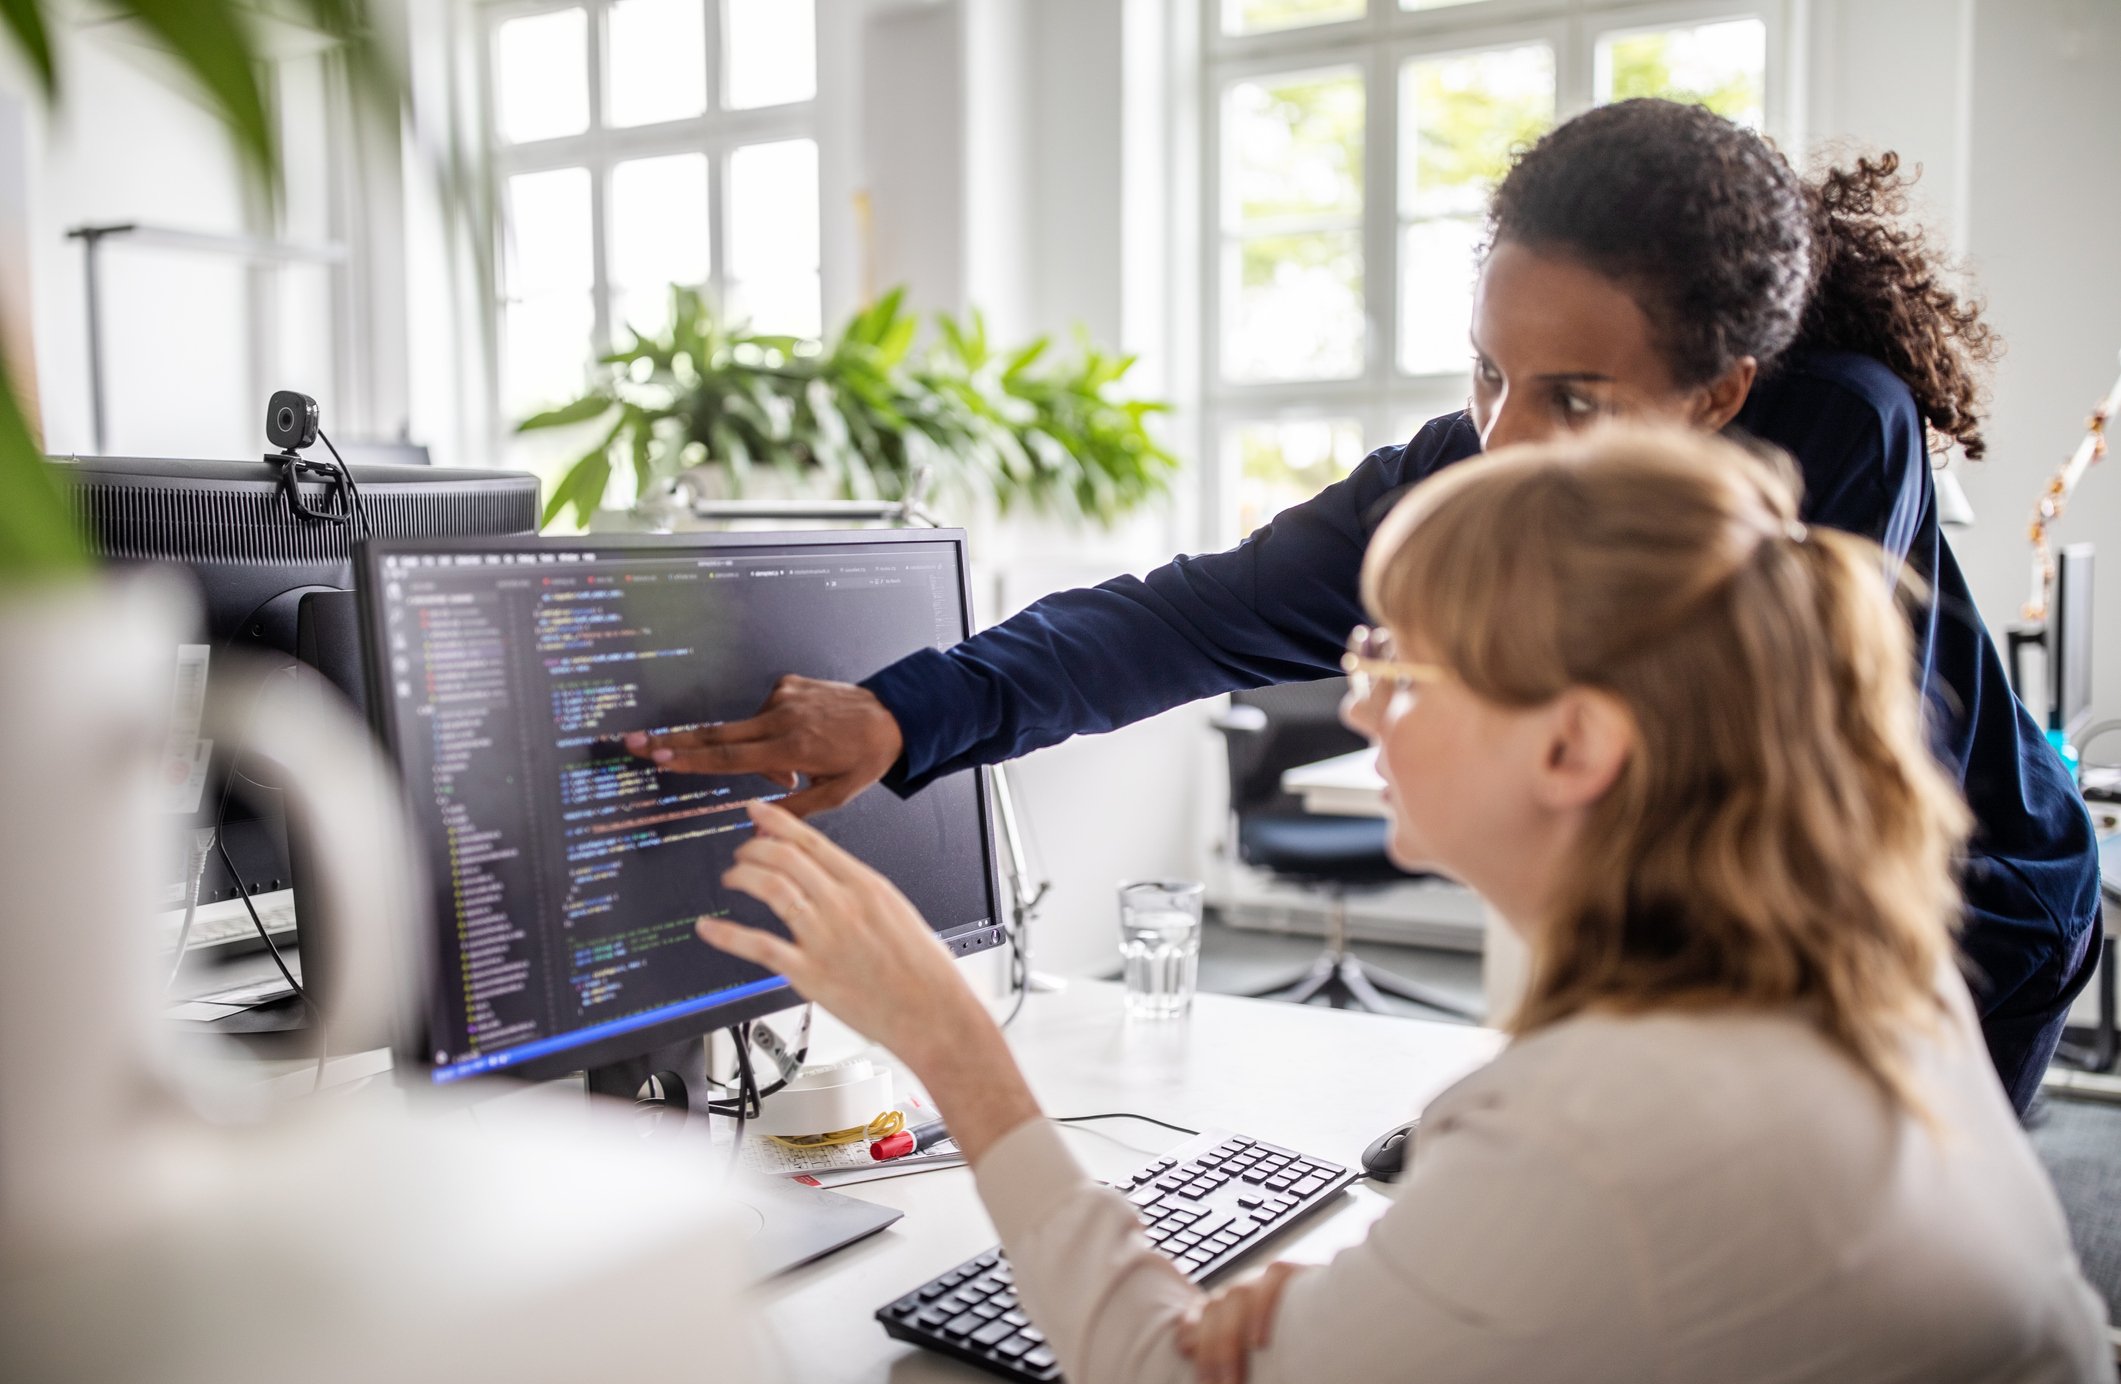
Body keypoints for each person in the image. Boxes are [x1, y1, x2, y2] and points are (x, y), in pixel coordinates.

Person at [626, 99, 2101, 1113]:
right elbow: (1190, 615)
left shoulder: (1832, 428)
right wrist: (905, 710)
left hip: (1968, 916)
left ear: (1717, 393)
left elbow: (1749, 804)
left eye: (1574, 396)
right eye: (1487, 373)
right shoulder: (1472, 466)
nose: (1506, 439)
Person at [697, 427, 2117, 1384]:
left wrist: (945, 1035)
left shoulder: (1611, 1126)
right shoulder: (1837, 972)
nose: (1357, 694)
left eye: (1398, 658)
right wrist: (1392, 1305)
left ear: (1572, 747)